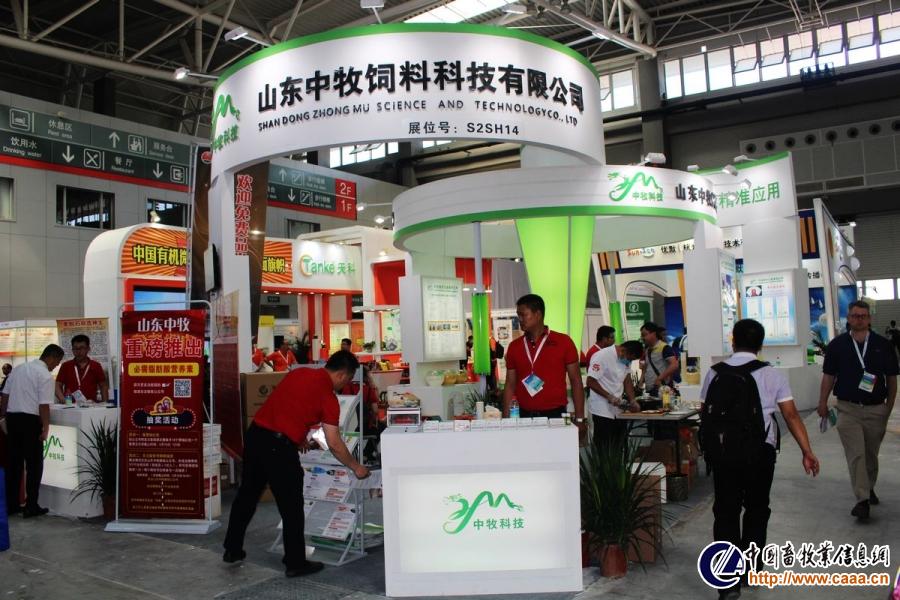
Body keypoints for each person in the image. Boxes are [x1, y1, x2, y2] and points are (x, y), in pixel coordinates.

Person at [223, 350, 370, 576]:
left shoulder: (298, 373)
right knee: (291, 505)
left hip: (256, 436)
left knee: (247, 496)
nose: (346, 384)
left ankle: (232, 549)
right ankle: (295, 563)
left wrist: (298, 436)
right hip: (279, 448)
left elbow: (287, 405)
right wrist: (356, 467)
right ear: (342, 374)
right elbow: (334, 443)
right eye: (348, 379)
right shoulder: (328, 398)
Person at [701, 320, 819, 599]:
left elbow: (706, 411)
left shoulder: (714, 372)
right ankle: (751, 569)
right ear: (761, 344)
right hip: (759, 452)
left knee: (726, 512)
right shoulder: (771, 374)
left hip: (724, 453)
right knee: (756, 508)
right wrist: (807, 451)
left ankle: (726, 584)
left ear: (733, 341)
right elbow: (791, 415)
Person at [818, 300, 897, 520]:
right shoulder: (837, 345)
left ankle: (868, 486)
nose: (859, 319)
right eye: (855, 316)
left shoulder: (883, 345)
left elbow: (891, 379)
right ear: (849, 318)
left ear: (869, 318)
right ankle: (862, 500)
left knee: (870, 454)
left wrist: (888, 408)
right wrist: (822, 402)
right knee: (856, 454)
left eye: (863, 316)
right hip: (847, 409)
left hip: (876, 409)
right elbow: (828, 376)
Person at [502, 294, 587, 438]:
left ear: (538, 314)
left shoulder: (563, 342)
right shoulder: (514, 347)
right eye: (518, 315)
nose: (520, 319)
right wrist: (506, 419)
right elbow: (510, 384)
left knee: (556, 452)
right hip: (524, 416)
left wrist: (580, 419)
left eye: (523, 315)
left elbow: (576, 381)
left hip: (555, 415)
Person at [1, 344, 66, 517]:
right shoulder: (44, 375)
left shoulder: (19, 369)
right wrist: (45, 428)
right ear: (51, 357)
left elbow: (5, 395)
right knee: (34, 465)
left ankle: (12, 504)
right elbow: (44, 405)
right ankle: (31, 506)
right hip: (30, 422)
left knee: (13, 464)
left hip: (12, 419)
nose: (56, 365)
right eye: (57, 362)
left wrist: (3, 416)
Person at [586, 340, 643, 449]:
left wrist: (632, 400)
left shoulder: (626, 359)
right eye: (630, 359)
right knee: (603, 447)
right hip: (602, 410)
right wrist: (609, 396)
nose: (629, 361)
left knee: (619, 446)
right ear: (623, 350)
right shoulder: (602, 356)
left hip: (618, 409)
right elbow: (590, 381)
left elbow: (627, 380)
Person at [55, 334, 109, 403]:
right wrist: (63, 399)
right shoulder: (66, 366)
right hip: (70, 405)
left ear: (88, 349)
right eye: (75, 348)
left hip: (91, 405)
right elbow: (57, 385)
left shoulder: (96, 366)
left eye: (81, 348)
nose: (78, 351)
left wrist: (105, 403)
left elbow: (103, 386)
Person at [640, 321, 679, 396]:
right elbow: (646, 368)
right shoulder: (647, 349)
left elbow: (674, 365)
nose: (642, 338)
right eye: (642, 336)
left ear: (653, 333)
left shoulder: (664, 347)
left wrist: (659, 379)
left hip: (661, 389)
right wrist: (641, 382)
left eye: (644, 335)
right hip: (650, 389)